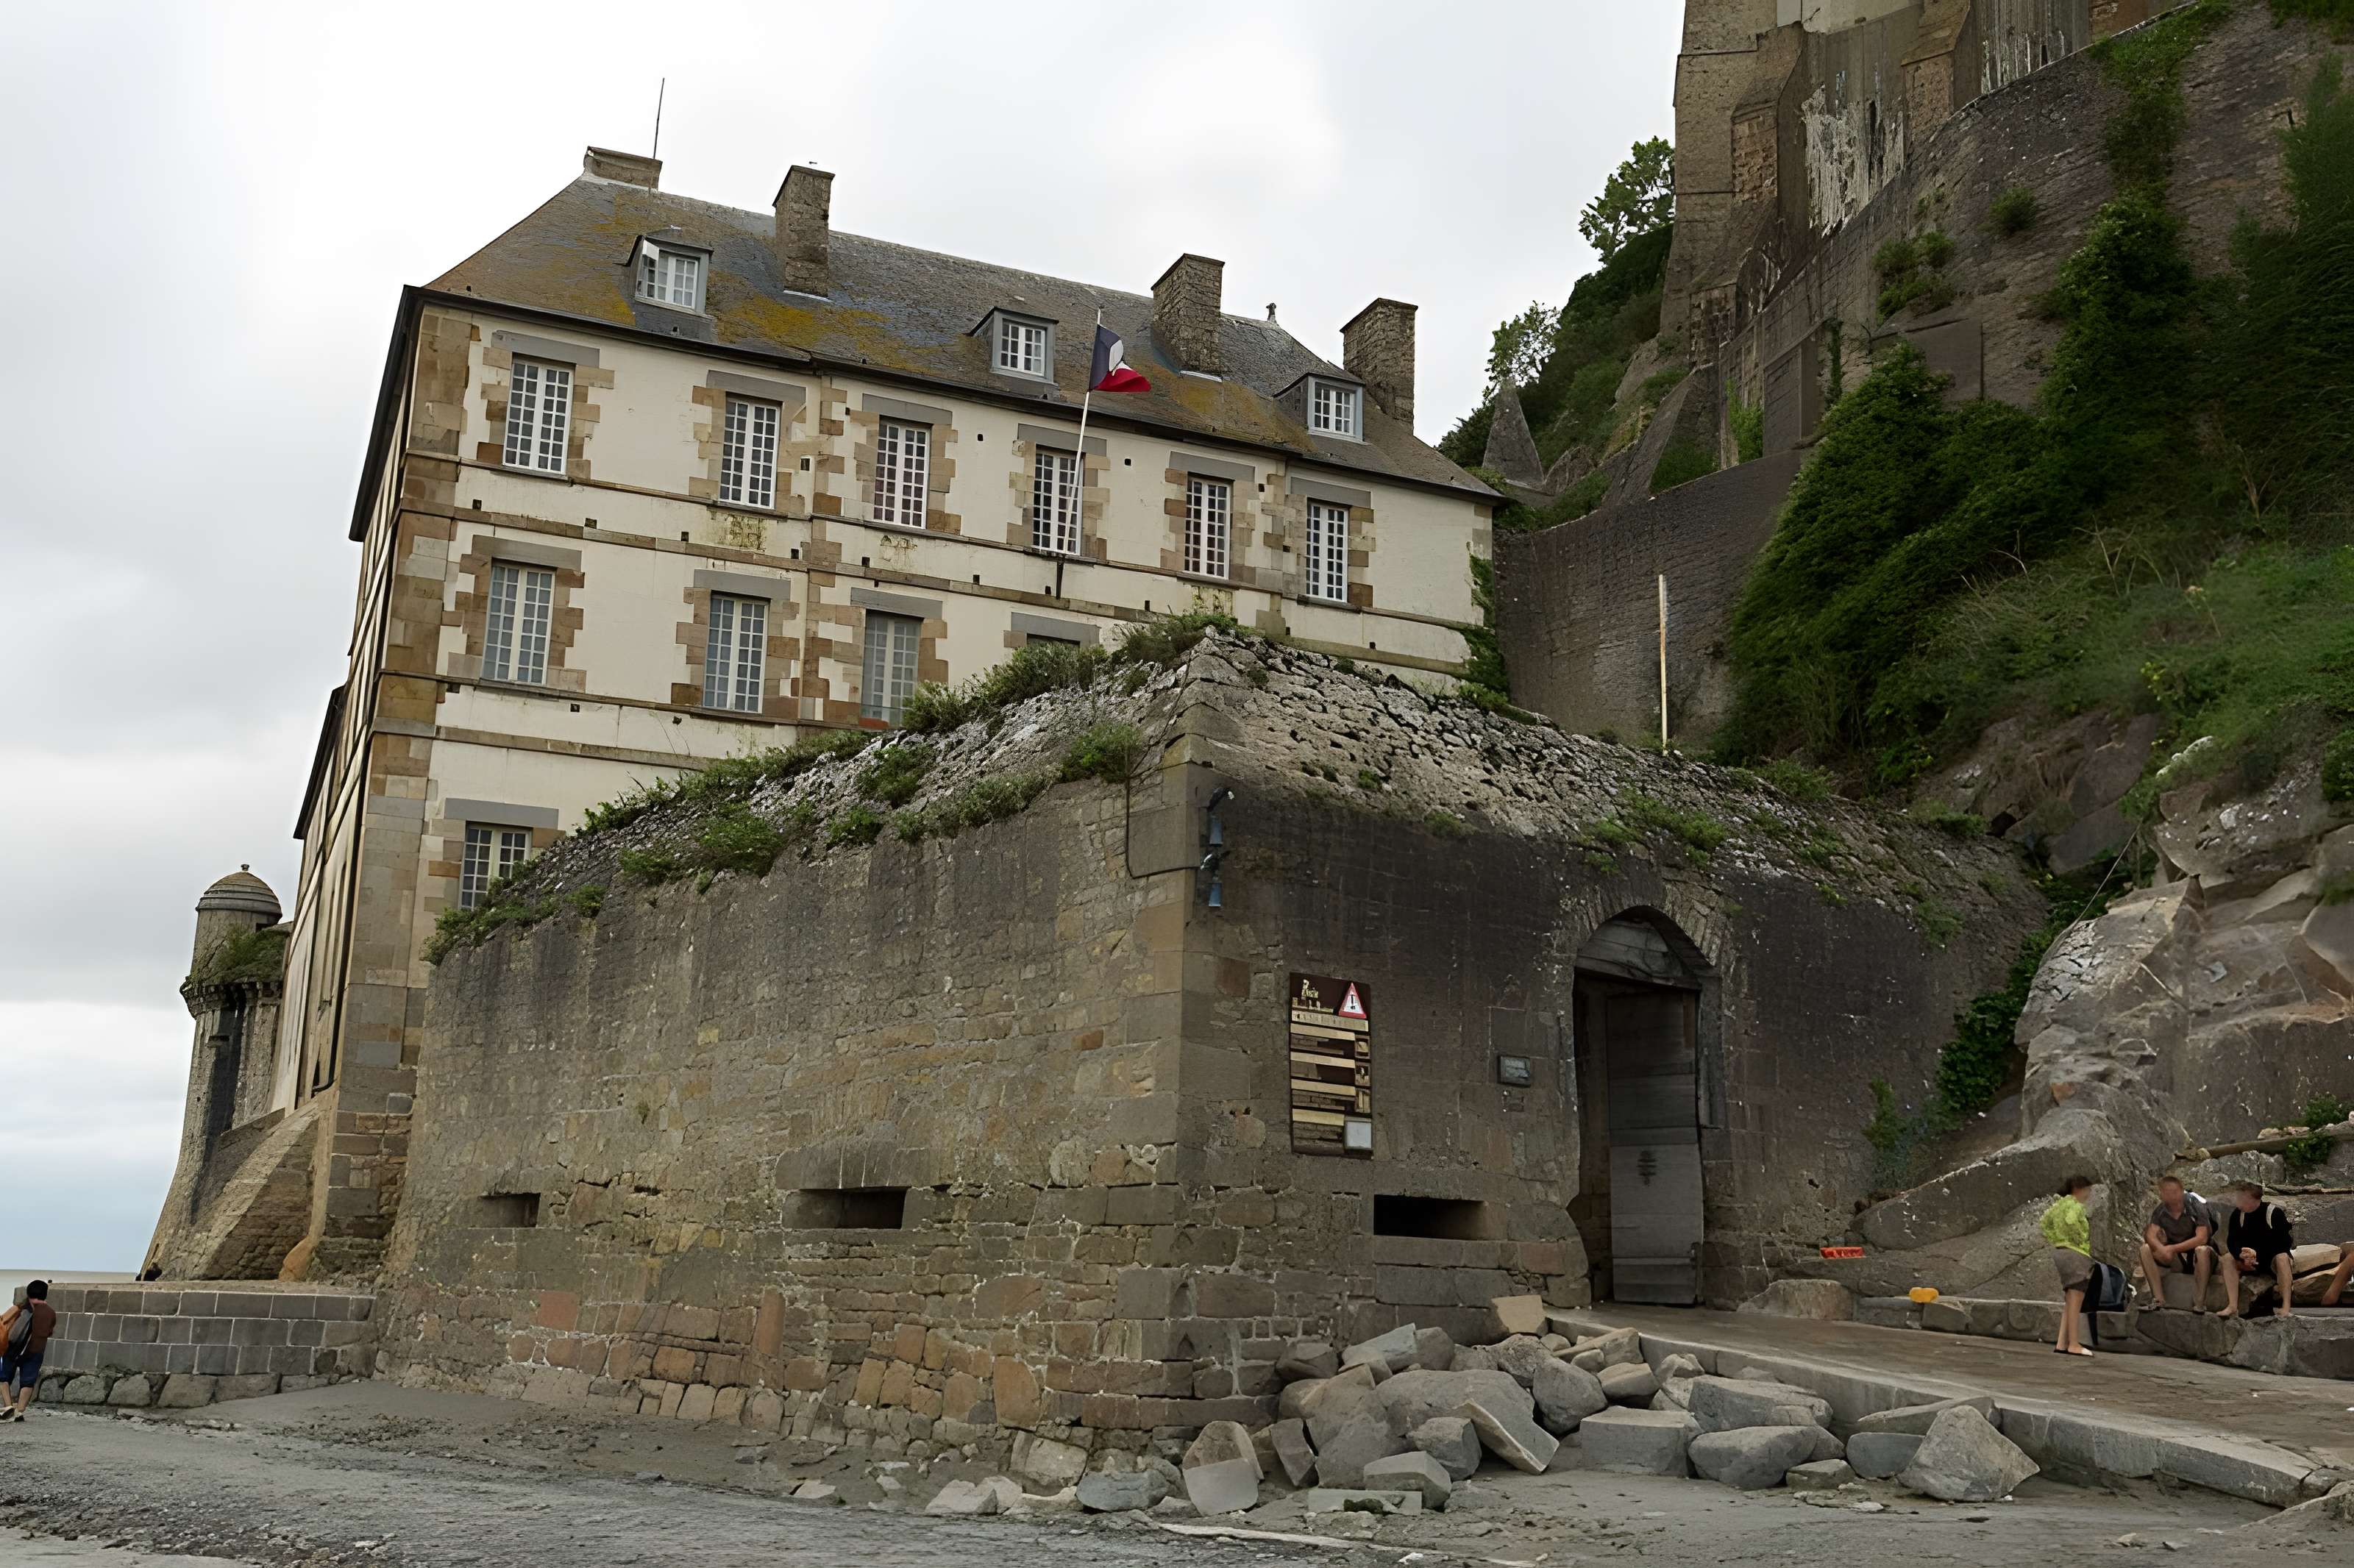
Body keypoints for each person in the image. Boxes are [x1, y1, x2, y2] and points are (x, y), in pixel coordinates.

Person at [2218, 1182, 2296, 1319]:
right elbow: (2232, 1241)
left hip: (2271, 1260)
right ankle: (2232, 1306)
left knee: (2282, 1257)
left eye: (2241, 1198)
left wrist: (2258, 1254)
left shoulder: (2273, 1213)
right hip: (2248, 1260)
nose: (2237, 1201)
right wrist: (2241, 1255)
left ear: (2251, 1199)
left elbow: (2284, 1243)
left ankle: (2285, 1307)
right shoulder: (2238, 1215)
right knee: (2227, 1258)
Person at [2138, 1175, 2216, 1312]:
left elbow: (2202, 1238)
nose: (2172, 1196)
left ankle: (2199, 1303)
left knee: (2201, 1250)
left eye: (2174, 1192)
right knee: (2145, 1249)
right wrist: (2161, 1248)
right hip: (2178, 1257)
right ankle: (2158, 1299)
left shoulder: (2195, 1206)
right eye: (2167, 1192)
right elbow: (2150, 1234)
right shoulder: (2161, 1211)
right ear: (2161, 1194)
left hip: (2201, 1255)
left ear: (2181, 1191)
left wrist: (2172, 1248)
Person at [2041, 1175, 2097, 1356]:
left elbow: (2045, 1223)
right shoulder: (2075, 1206)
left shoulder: (2058, 1205)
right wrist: (2079, 1238)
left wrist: (2057, 1239)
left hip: (2060, 1251)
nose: (2089, 1194)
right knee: (2076, 1297)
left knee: (2070, 1299)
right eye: (2088, 1190)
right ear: (2079, 1190)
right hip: (2075, 1253)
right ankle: (2074, 1344)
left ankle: (2061, 1342)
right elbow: (2072, 1221)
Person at [0, 1280, 57, 1422]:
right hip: (35, 1351)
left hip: (14, 1348)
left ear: (28, 1293)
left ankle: (8, 1407)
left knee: (3, 1377)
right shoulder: (50, 1312)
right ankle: (19, 1411)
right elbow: (49, 1331)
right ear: (45, 1294)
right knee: (28, 1382)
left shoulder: (21, 1308)